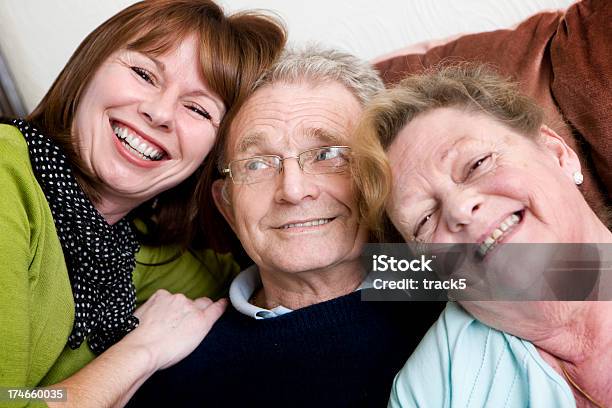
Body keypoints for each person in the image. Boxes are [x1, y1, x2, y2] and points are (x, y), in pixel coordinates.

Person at [0, 1, 286, 406]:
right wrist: (141, 351)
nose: (158, 112)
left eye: (197, 108)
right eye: (143, 74)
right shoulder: (6, 175)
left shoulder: (129, 248)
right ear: (90, 66)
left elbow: (287, 273)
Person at [127, 46, 444, 408]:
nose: (293, 190)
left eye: (328, 155)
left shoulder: (449, 278)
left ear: (382, 174)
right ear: (227, 205)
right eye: (258, 164)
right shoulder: (173, 354)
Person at [351, 65, 612, 407]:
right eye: (425, 220)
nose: (459, 210)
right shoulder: (431, 390)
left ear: (557, 153)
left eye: (477, 164)